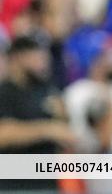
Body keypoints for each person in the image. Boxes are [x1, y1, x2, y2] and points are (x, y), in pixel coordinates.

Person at [0, 35, 75, 192]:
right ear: (18, 57)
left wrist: (63, 116)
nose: (43, 61)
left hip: (48, 182)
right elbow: (3, 134)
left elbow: (65, 132)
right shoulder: (5, 92)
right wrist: (47, 130)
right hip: (13, 184)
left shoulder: (46, 88)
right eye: (36, 55)